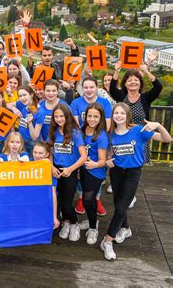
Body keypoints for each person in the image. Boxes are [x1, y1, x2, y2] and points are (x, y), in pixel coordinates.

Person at [100, 103, 171, 261]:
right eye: (116, 113)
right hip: (116, 172)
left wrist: (158, 125)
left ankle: (107, 241)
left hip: (133, 173)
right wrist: (108, 162)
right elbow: (109, 155)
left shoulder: (138, 130)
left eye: (122, 113)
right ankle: (125, 228)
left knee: (120, 208)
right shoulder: (110, 134)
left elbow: (167, 139)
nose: (119, 115)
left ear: (127, 115)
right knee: (119, 202)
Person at [70, 77, 112, 216]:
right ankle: (81, 198)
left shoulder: (104, 102)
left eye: (91, 87)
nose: (88, 90)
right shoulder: (76, 102)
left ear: (96, 87)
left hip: (97, 140)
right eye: (86, 87)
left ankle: (97, 199)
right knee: (81, 172)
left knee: (97, 171)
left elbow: (107, 124)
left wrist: (99, 138)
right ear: (82, 88)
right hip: (82, 140)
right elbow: (76, 124)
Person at [110, 63, 163, 165]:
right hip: (123, 139)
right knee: (121, 164)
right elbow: (112, 88)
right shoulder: (121, 97)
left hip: (141, 139)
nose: (132, 82)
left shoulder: (146, 98)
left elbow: (158, 87)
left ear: (140, 83)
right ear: (125, 84)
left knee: (137, 168)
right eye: (129, 80)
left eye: (136, 80)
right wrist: (117, 71)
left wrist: (147, 71)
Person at [49, 103, 87, 242]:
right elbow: (50, 152)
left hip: (70, 170)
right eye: (56, 116)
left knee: (67, 202)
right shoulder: (53, 132)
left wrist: (70, 169)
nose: (59, 119)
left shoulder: (75, 133)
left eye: (62, 116)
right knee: (58, 200)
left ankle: (75, 223)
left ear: (67, 116)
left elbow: (83, 157)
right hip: (56, 170)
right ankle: (66, 222)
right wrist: (51, 165)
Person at [78, 103, 109, 245]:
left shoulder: (101, 136)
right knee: (85, 198)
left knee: (88, 199)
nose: (92, 119)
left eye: (96, 116)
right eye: (89, 116)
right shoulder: (82, 130)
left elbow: (103, 160)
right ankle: (91, 220)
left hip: (95, 172)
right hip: (83, 170)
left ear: (101, 117)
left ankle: (93, 227)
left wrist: (94, 164)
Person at [32, 141, 60, 230]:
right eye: (35, 152)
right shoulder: (27, 165)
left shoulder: (50, 170)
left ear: (47, 154)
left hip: (46, 203)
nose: (37, 155)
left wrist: (54, 217)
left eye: (40, 153)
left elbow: (53, 194)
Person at [17, 85, 38, 158]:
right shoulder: (24, 107)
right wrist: (14, 108)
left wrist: (29, 122)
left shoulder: (37, 111)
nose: (22, 98)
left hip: (30, 144)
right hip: (21, 142)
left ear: (31, 95)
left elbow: (35, 137)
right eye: (20, 96)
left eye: (24, 95)